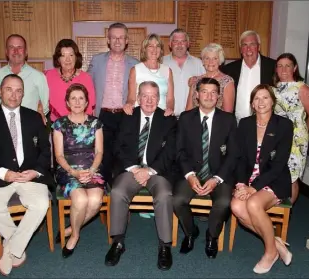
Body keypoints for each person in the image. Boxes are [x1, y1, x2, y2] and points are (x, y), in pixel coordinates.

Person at [0, 74, 53, 276]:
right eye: (9, 89)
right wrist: (4, 173)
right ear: (0, 91)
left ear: (23, 94)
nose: (14, 94)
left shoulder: (34, 117)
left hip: (30, 176)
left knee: (42, 204)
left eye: (18, 90)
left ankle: (13, 248)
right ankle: (17, 243)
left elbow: (46, 150)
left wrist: (34, 171)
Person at [105, 81, 177, 270]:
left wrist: (149, 171)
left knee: (164, 195)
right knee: (118, 191)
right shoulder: (127, 116)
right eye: (144, 95)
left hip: (156, 171)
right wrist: (134, 168)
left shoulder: (168, 119)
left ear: (159, 99)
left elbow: (170, 151)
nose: (149, 100)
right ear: (137, 97)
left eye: (153, 96)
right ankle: (118, 242)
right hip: (132, 169)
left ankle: (164, 246)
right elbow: (117, 146)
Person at [173, 77, 238, 259]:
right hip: (191, 172)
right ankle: (191, 232)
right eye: (204, 92)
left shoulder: (229, 120)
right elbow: (179, 151)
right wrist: (190, 175)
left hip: (218, 174)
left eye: (213, 92)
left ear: (218, 96)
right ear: (196, 95)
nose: (209, 96)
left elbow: (233, 155)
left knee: (224, 202)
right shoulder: (185, 118)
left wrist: (217, 178)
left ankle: (212, 236)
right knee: (177, 200)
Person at [231, 84, 293, 274]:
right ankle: (276, 244)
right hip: (249, 180)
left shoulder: (284, 125)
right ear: (252, 103)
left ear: (272, 101)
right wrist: (242, 183)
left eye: (265, 97)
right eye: (257, 98)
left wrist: (253, 188)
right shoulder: (245, 123)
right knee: (236, 206)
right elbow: (240, 158)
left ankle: (269, 253)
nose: (261, 102)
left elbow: (279, 164)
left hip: (274, 179)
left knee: (253, 205)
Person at [52, 83, 105, 258]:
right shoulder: (59, 124)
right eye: (73, 98)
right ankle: (75, 235)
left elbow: (99, 151)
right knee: (81, 200)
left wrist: (92, 170)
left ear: (87, 102)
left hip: (92, 168)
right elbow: (59, 155)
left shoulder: (96, 123)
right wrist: (73, 172)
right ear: (67, 102)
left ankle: (69, 228)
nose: (77, 102)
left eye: (81, 98)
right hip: (68, 169)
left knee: (96, 200)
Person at [88, 22, 138, 185]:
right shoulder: (96, 61)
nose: (117, 41)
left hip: (126, 115)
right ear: (108, 40)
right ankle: (104, 190)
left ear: (127, 40)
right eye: (114, 37)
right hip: (102, 114)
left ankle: (121, 190)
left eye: (121, 37)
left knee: (124, 154)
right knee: (103, 154)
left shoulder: (136, 64)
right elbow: (86, 86)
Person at [273, 53, 309, 204]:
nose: (284, 69)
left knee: (293, 177)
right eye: (280, 65)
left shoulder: (302, 88)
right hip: (277, 137)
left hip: (296, 139)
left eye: (288, 65)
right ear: (276, 69)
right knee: (276, 174)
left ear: (294, 68)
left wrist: (304, 133)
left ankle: (287, 214)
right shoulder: (273, 89)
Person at [0, 34, 49, 124]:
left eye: (19, 47)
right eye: (11, 47)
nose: (16, 51)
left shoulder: (38, 76)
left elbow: (45, 105)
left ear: (26, 52)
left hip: (30, 126)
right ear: (6, 52)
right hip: (4, 126)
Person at [221, 30, 276, 121]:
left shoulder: (272, 67)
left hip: (264, 124)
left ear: (258, 47)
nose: (248, 49)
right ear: (240, 49)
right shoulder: (229, 69)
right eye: (244, 45)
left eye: (252, 44)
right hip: (236, 125)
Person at [124, 33, 175, 116]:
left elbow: (170, 99)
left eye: (157, 46)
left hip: (162, 116)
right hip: (141, 115)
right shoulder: (135, 70)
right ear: (145, 49)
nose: (154, 49)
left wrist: (170, 109)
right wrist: (128, 105)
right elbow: (131, 97)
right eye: (150, 46)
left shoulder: (167, 70)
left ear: (161, 50)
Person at [46, 39, 96, 123]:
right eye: (63, 55)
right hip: (57, 124)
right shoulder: (48, 75)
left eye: (71, 55)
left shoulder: (86, 78)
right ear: (58, 59)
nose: (67, 59)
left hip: (81, 124)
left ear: (76, 57)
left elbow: (90, 105)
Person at [163, 28, 205, 117]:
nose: (179, 45)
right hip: (166, 117)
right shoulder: (161, 63)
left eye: (183, 41)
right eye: (176, 41)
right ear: (170, 44)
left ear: (188, 44)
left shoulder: (199, 63)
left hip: (192, 118)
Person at [185, 43, 235, 113]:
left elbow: (228, 113)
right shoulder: (195, 80)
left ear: (220, 61)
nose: (210, 62)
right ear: (202, 61)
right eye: (207, 58)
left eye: (215, 58)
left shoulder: (227, 81)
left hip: (218, 123)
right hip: (195, 122)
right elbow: (188, 110)